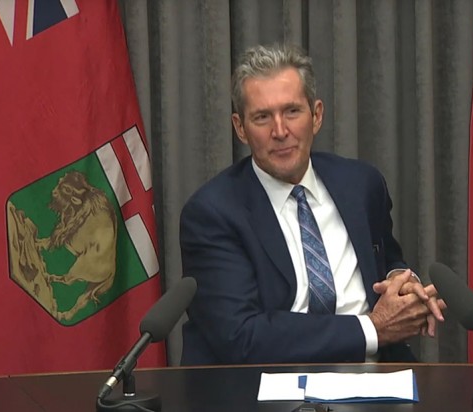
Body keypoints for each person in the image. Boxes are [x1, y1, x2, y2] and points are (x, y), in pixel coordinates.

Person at [180, 43, 444, 365]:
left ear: (316, 116)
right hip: (266, 389)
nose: (280, 131)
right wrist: (373, 328)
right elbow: (242, 336)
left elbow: (386, 258)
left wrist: (403, 283)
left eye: (292, 111)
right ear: (240, 128)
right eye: (262, 117)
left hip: (372, 380)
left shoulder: (361, 184)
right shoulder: (213, 213)